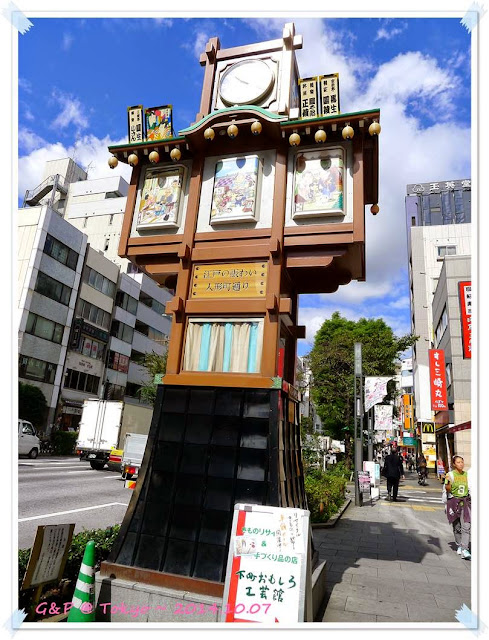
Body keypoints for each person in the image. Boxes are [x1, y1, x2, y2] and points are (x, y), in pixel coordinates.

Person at [444, 455, 471, 559]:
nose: (461, 464)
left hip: (465, 502)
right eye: (458, 462)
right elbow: (447, 488)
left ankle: (465, 549)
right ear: (454, 464)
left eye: (462, 462)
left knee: (466, 526)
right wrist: (448, 482)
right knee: (457, 526)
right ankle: (459, 544)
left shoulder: (467, 475)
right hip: (454, 502)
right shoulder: (450, 474)